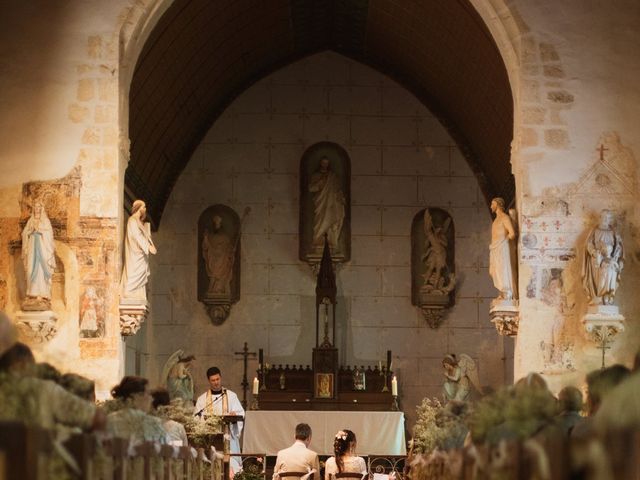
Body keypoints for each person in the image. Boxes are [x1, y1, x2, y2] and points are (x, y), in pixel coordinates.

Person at [0, 340, 104, 432]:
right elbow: (96, 417)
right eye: (33, 365)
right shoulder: (42, 390)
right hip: (37, 452)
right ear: (23, 364)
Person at [194, 366, 244, 473]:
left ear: (220, 378)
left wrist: (234, 416)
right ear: (209, 381)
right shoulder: (202, 399)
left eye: (218, 379)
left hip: (228, 438)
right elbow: (196, 419)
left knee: (230, 469)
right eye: (213, 380)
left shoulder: (231, 396)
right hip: (210, 440)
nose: (216, 382)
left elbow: (240, 414)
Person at [106, 376, 168, 444]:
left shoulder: (109, 421)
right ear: (136, 396)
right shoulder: (154, 424)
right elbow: (166, 450)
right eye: (149, 394)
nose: (151, 399)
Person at [582, 209, 624, 305]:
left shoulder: (613, 232)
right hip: (597, 260)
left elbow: (618, 246)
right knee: (600, 275)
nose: (606, 219)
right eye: (604, 217)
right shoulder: (595, 231)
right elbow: (589, 244)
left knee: (610, 271)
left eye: (608, 218)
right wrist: (594, 252)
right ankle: (598, 296)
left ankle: (608, 295)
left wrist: (616, 257)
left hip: (610, 259)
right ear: (600, 218)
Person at [21, 200, 56, 308]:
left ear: (42, 208)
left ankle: (42, 294)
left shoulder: (45, 221)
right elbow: (24, 233)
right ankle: (32, 293)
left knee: (41, 269)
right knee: (31, 268)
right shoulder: (30, 221)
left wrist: (40, 229)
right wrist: (30, 231)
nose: (37, 208)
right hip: (32, 247)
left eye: (39, 206)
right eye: (35, 207)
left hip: (42, 247)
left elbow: (49, 234)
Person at [120, 200, 156, 301]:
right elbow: (137, 236)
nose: (145, 209)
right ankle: (129, 291)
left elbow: (143, 236)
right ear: (139, 208)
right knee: (134, 272)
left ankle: (136, 294)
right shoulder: (132, 220)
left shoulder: (139, 222)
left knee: (141, 274)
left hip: (141, 253)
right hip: (135, 253)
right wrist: (148, 247)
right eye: (143, 207)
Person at [308, 157, 345, 250]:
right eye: (323, 163)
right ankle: (318, 241)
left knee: (332, 220)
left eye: (326, 163)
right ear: (320, 164)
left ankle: (331, 241)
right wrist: (321, 182)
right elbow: (311, 188)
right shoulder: (316, 175)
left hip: (332, 204)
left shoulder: (333, 176)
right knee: (319, 222)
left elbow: (337, 190)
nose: (325, 165)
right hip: (321, 203)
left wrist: (341, 198)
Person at [489, 197, 518, 301]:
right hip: (494, 248)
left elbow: (512, 233)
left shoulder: (505, 218)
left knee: (503, 269)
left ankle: (507, 293)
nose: (491, 206)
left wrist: (505, 242)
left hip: (502, 247)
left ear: (498, 204)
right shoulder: (495, 221)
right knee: (493, 271)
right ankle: (502, 292)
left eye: (492, 204)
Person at [202, 215, 234, 296]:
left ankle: (221, 289)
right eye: (215, 224)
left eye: (218, 224)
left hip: (223, 259)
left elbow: (229, 248)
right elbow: (206, 247)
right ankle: (212, 289)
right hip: (213, 258)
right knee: (213, 271)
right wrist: (205, 237)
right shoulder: (210, 237)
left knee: (223, 272)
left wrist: (231, 252)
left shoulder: (225, 237)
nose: (217, 226)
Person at [422, 209, 451, 291]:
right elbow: (426, 245)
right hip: (434, 253)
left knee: (438, 270)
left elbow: (445, 244)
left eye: (440, 228)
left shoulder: (441, 236)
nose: (438, 229)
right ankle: (425, 282)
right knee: (431, 268)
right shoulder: (431, 236)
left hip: (441, 254)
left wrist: (438, 238)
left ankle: (435, 286)